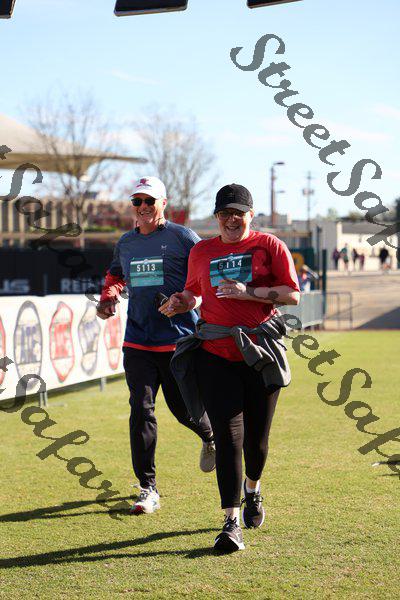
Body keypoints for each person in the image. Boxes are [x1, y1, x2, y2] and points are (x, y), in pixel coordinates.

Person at [160, 184, 300, 553]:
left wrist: (247, 293)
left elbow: (292, 294)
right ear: (217, 216)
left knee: (257, 442)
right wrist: (180, 301)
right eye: (225, 213)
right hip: (215, 354)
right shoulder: (201, 251)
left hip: (259, 353)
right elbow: (194, 293)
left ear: (250, 215)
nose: (231, 219)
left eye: (238, 213)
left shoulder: (270, 246)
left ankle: (253, 490)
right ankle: (230, 522)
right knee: (227, 439)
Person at [96, 176, 215, 515]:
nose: (143, 207)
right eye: (137, 201)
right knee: (141, 410)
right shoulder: (126, 242)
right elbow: (115, 275)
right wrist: (109, 297)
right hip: (138, 340)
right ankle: (148, 487)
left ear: (164, 203)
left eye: (150, 201)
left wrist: (187, 300)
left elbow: (205, 276)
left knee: (183, 410)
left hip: (178, 342)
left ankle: (210, 436)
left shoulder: (183, 237)